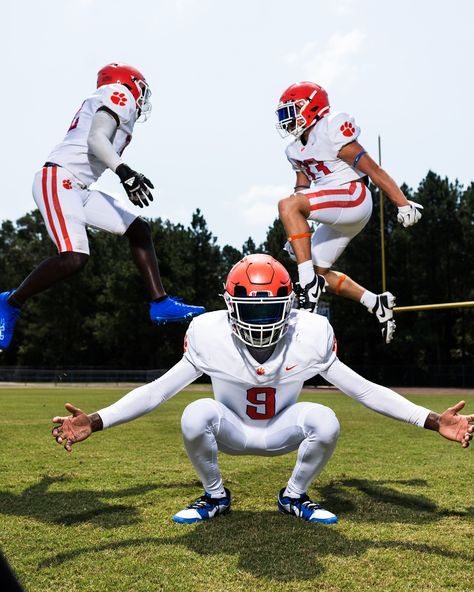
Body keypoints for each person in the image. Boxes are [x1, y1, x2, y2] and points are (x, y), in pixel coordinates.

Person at [51, 254, 473, 525]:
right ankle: (215, 495)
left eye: (270, 308)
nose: (260, 321)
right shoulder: (207, 333)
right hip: (230, 429)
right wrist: (97, 420)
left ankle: (294, 495)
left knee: (325, 419)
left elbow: (364, 390)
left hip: (282, 431)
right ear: (228, 305)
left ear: (290, 305)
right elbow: (158, 391)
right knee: (194, 412)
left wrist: (433, 421)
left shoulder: (310, 334)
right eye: (251, 308)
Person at [0, 62, 205, 351]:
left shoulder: (113, 99)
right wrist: (125, 173)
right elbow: (96, 138)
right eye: (141, 89)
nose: (143, 98)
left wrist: (125, 174)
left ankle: (160, 302)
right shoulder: (118, 92)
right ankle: (9, 302)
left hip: (78, 186)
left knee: (138, 229)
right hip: (58, 179)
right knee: (74, 257)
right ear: (129, 82)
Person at [275, 82, 423, 343]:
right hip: (336, 209)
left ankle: (307, 287)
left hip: (353, 196)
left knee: (287, 208)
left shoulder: (331, 128)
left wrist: (402, 202)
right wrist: (294, 230)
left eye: (292, 111)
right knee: (317, 270)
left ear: (310, 107)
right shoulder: (294, 150)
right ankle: (375, 302)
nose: (288, 120)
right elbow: (301, 188)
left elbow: (373, 169)